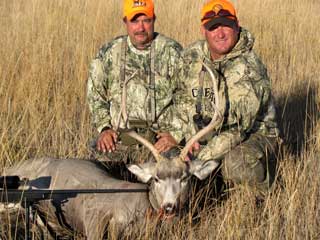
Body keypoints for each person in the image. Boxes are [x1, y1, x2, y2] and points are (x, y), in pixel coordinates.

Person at [181, 0, 280, 191]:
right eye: (213, 27)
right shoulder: (192, 57)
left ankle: (267, 195)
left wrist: (195, 162)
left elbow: (237, 130)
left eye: (226, 25)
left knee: (235, 164)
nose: (220, 33)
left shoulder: (248, 68)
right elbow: (181, 98)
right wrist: (186, 135)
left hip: (253, 135)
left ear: (237, 26)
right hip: (209, 133)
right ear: (204, 31)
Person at [87, 0, 189, 163]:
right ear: (125, 21)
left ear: (154, 20)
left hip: (161, 143)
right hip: (121, 139)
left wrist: (176, 134)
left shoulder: (172, 52)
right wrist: (105, 129)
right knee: (96, 167)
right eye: (135, 20)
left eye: (146, 20)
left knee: (175, 172)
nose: (141, 28)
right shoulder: (109, 53)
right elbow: (95, 95)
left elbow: (187, 97)